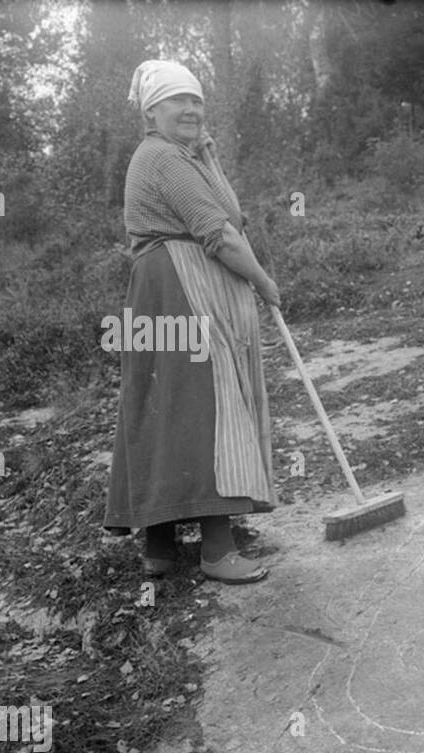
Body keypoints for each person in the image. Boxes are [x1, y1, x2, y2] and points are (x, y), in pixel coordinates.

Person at [104, 60, 280, 584]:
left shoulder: (180, 157)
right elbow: (221, 236)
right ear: (151, 112)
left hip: (162, 290)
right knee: (205, 401)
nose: (190, 109)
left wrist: (211, 159)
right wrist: (264, 282)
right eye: (177, 101)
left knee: (163, 403)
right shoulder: (160, 157)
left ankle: (159, 547)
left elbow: (235, 217)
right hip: (176, 289)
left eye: (197, 101)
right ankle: (217, 551)